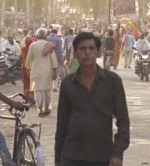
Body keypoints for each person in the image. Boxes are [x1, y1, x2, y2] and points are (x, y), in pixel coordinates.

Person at [55, 31, 130, 166]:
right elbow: (62, 124)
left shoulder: (113, 81)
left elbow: (123, 120)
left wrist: (118, 153)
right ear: (76, 54)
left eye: (91, 48)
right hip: (71, 157)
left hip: (103, 157)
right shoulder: (67, 84)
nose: (87, 52)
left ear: (98, 52)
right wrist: (58, 160)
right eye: (82, 49)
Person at [25, 29, 58, 117]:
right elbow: (53, 60)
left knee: (38, 91)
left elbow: (28, 59)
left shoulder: (32, 45)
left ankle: (40, 110)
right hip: (48, 72)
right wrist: (55, 72)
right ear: (46, 36)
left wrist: (28, 68)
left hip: (36, 71)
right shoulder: (49, 45)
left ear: (37, 36)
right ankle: (47, 109)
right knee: (47, 91)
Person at [21, 36, 35, 104]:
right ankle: (31, 97)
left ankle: (26, 97)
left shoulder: (23, 48)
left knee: (26, 82)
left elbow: (23, 58)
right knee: (32, 82)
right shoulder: (33, 49)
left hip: (25, 67)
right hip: (32, 67)